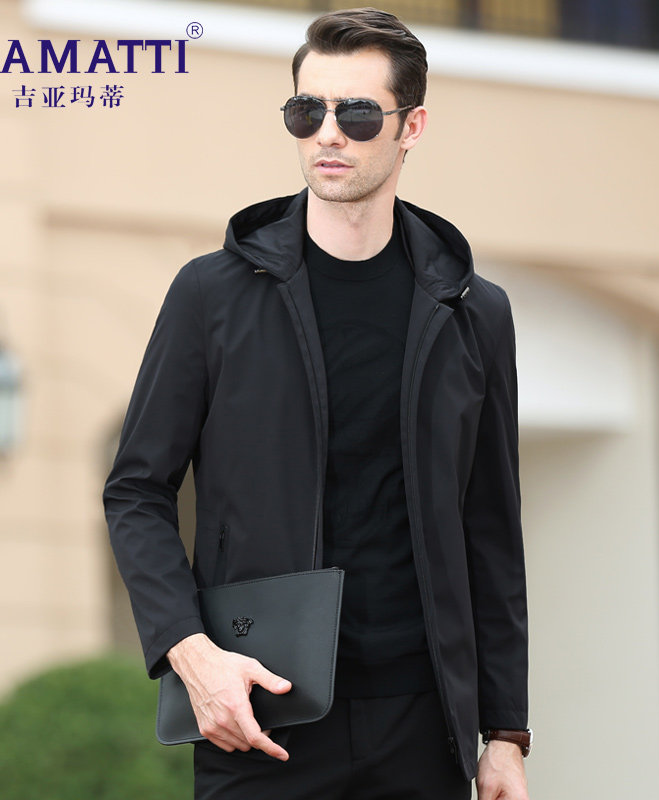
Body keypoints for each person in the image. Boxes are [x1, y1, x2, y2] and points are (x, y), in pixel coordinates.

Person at [103, 7, 530, 800]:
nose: (328, 134)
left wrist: (505, 733)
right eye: (307, 111)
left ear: (411, 127)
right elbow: (136, 491)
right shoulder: (211, 295)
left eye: (357, 114)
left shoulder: (474, 311)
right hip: (258, 714)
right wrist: (191, 654)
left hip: (424, 726)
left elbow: (491, 529)